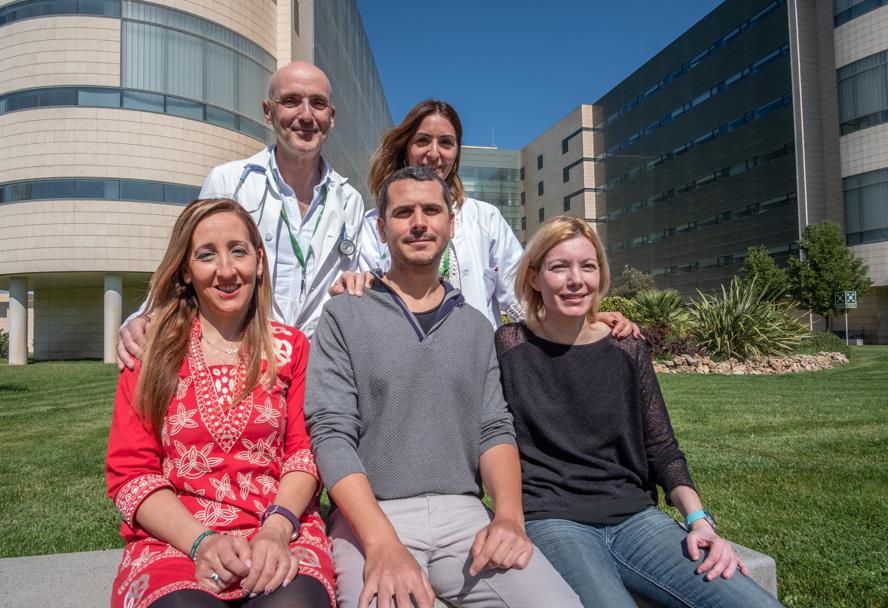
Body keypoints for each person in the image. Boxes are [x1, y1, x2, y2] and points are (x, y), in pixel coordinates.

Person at [305, 166, 583, 608]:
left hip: (465, 515)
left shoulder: (474, 325)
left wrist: (510, 517)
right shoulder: (344, 316)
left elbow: (494, 428)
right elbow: (331, 434)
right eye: (403, 212)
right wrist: (380, 542)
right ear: (381, 228)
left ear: (450, 225)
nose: (419, 222)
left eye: (432, 210)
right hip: (371, 517)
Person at [494, 216, 784, 608]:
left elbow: (662, 446)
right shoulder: (509, 347)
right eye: (559, 267)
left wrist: (699, 520)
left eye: (588, 266)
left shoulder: (628, 349)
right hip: (552, 520)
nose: (576, 279)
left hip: (638, 519)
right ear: (533, 277)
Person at [105, 199, 335, 608]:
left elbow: (304, 455)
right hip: (175, 542)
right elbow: (131, 473)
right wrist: (200, 542)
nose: (226, 270)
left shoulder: (292, 348)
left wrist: (276, 530)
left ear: (259, 262)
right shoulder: (149, 351)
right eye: (206, 254)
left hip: (280, 531)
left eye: (239, 251)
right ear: (185, 270)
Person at [117, 61, 366, 368]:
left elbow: (351, 284)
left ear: (332, 116)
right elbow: (189, 262)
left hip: (314, 368)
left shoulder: (349, 201)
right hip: (243, 364)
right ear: (268, 111)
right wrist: (143, 317)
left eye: (318, 103)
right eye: (290, 101)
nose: (306, 115)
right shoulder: (229, 181)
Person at [334, 98, 638, 338]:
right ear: (406, 149)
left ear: (456, 154)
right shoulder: (377, 223)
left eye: (446, 143)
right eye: (423, 140)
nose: (434, 153)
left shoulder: (485, 218)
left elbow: (522, 294)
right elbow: (362, 292)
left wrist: (585, 322)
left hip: (479, 363)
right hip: (402, 359)